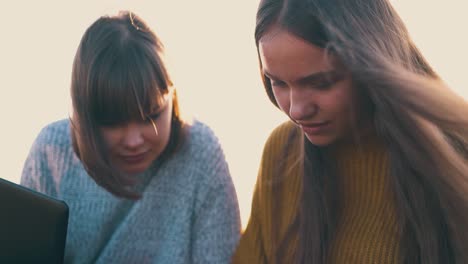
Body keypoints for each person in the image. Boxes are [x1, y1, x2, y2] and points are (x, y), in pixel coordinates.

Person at [232, 0, 468, 263]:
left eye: (321, 83)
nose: (296, 110)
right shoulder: (282, 150)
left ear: (372, 65)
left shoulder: (457, 154)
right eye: (278, 83)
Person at [21, 11, 241, 263]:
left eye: (151, 115)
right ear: (85, 115)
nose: (134, 140)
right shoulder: (51, 152)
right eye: (114, 123)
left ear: (171, 98)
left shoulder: (202, 153)